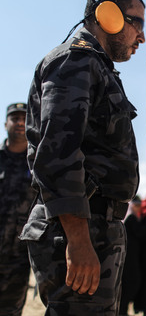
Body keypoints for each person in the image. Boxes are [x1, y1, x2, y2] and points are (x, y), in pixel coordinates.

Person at [19, 0, 145, 316]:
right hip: (78, 228)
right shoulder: (75, 62)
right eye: (138, 23)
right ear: (109, 16)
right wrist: (78, 240)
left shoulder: (96, 67)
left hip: (95, 227)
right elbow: (57, 152)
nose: (141, 37)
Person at [0, 103, 36, 316]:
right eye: (15, 118)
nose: (20, 122)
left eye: (24, 118)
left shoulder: (38, 164)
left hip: (19, 259)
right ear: (6, 124)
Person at [119, 197, 143, 315]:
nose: (138, 208)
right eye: (136, 205)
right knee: (129, 284)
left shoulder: (134, 218)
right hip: (129, 257)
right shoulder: (131, 218)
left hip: (132, 257)